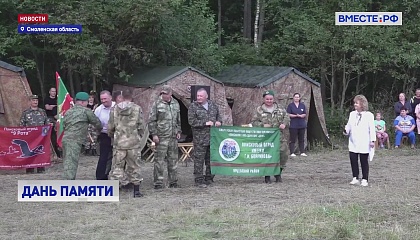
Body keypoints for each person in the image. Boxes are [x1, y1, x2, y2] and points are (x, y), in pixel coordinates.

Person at [108, 89, 146, 197]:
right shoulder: (137, 108)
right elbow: (141, 126)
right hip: (133, 143)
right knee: (134, 166)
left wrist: (112, 135)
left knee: (117, 166)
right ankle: (136, 191)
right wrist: (138, 136)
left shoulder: (114, 109)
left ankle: (114, 191)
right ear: (131, 97)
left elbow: (110, 126)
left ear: (122, 97)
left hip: (119, 143)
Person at [251, 90, 290, 184]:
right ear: (264, 99)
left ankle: (278, 174)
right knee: (267, 156)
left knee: (283, 155)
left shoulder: (280, 108)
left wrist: (284, 124)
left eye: (271, 99)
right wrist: (262, 126)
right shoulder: (259, 110)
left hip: (279, 136)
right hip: (266, 138)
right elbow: (253, 122)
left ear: (273, 99)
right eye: (267, 99)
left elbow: (287, 117)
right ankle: (267, 176)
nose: (269, 100)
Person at [62, 92, 102, 180]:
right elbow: (96, 122)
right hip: (75, 140)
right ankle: (67, 185)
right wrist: (101, 129)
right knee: (71, 163)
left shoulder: (68, 111)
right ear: (84, 102)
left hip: (66, 139)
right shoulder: (86, 111)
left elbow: (64, 125)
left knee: (67, 161)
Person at [148, 85, 181, 189]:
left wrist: (178, 130)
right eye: (162, 93)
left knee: (173, 160)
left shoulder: (176, 103)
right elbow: (151, 120)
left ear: (170, 94)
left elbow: (178, 119)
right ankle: (158, 182)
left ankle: (173, 181)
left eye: (166, 93)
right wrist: (154, 134)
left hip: (173, 136)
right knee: (159, 161)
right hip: (161, 136)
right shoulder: (157, 103)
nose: (164, 95)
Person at [188, 88, 222, 188]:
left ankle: (209, 178)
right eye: (197, 96)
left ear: (206, 96)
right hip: (200, 139)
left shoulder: (213, 105)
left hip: (212, 138)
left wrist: (219, 122)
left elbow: (218, 116)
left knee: (210, 159)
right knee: (199, 160)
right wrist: (204, 123)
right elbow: (191, 121)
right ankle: (199, 180)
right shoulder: (193, 107)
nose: (199, 98)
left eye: (201, 96)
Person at [344, 95, 375, 187]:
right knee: (353, 159)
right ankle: (355, 177)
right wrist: (346, 130)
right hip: (353, 141)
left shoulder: (369, 115)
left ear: (362, 104)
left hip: (364, 141)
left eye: (357, 103)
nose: (355, 105)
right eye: (355, 103)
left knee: (363, 160)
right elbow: (349, 125)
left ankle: (365, 179)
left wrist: (372, 140)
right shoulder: (352, 114)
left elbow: (372, 128)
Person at [20, 94, 51, 174]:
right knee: (29, 152)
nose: (35, 102)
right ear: (30, 102)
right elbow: (21, 125)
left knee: (40, 151)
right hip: (30, 137)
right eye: (33, 100)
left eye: (36, 100)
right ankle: (30, 168)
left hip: (41, 137)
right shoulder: (26, 113)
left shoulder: (42, 112)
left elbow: (46, 123)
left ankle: (40, 167)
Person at [94, 90, 115, 180]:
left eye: (105, 98)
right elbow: (95, 123)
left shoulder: (117, 106)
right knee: (104, 156)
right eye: (101, 99)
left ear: (110, 97)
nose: (103, 101)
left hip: (118, 135)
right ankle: (101, 177)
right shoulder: (98, 110)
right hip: (105, 135)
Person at [286, 93, 307, 157]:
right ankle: (292, 152)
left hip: (301, 124)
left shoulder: (302, 105)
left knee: (301, 139)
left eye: (298, 97)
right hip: (293, 125)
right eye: (295, 97)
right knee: (292, 139)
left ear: (299, 98)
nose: (296, 98)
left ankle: (302, 152)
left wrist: (301, 116)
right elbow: (288, 114)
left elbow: (304, 114)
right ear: (293, 98)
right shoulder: (290, 105)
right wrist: (295, 115)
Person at [44, 87, 62, 159]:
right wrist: (55, 106)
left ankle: (59, 151)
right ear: (49, 92)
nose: (54, 92)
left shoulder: (58, 99)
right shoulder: (47, 99)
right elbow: (48, 108)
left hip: (58, 118)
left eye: (55, 91)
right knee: (52, 136)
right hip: (50, 118)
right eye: (52, 91)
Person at [84, 90, 99, 156]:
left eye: (92, 98)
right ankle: (87, 149)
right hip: (87, 122)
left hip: (94, 123)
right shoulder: (85, 106)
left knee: (94, 136)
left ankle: (94, 149)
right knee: (87, 136)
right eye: (89, 98)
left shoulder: (97, 106)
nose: (91, 99)